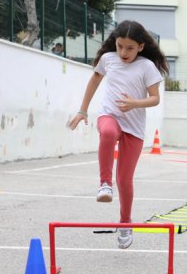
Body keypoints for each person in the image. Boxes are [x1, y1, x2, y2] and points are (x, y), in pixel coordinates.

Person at [68, 20, 168, 249]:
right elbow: (94, 80)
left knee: (124, 179)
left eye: (130, 48)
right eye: (120, 46)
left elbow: (155, 98)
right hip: (109, 115)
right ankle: (104, 184)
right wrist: (82, 110)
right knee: (108, 132)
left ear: (141, 47)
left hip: (134, 126)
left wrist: (135, 103)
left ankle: (125, 222)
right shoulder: (108, 59)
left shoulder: (146, 67)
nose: (123, 52)